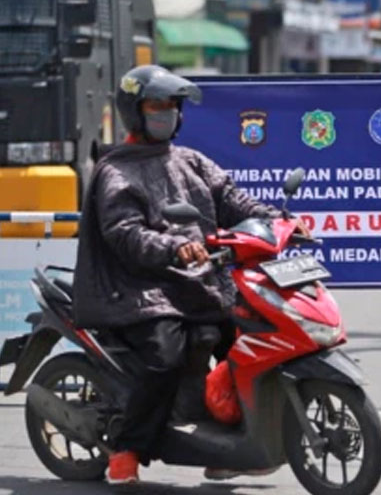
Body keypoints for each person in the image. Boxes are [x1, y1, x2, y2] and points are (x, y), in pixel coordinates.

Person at [72, 65, 286, 485]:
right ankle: (127, 448)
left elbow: (232, 199)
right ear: (135, 112)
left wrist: (278, 220)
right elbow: (126, 234)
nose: (167, 113)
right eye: (157, 106)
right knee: (165, 360)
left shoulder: (189, 160)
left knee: (245, 340)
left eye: (172, 106)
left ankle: (232, 445)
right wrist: (174, 247)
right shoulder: (116, 172)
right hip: (141, 290)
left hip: (198, 282)